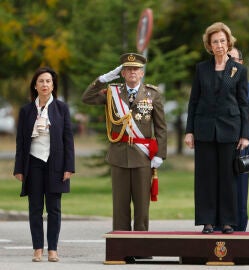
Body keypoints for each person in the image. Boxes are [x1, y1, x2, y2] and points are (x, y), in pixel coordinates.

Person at [82, 53, 167, 233]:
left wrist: (160, 154)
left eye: (136, 69)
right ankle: (121, 247)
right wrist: (103, 79)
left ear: (142, 72)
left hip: (142, 156)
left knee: (142, 205)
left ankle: (141, 246)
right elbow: (87, 98)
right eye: (128, 69)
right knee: (120, 205)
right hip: (119, 155)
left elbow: (161, 128)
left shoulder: (152, 94)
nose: (132, 72)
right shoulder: (112, 92)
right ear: (122, 73)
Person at [184, 22, 249, 234]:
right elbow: (193, 101)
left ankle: (228, 222)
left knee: (228, 179)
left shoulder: (239, 70)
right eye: (215, 42)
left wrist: (245, 134)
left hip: (230, 130)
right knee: (205, 177)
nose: (219, 45)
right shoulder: (201, 69)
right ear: (209, 45)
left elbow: (243, 103)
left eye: (222, 41)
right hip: (204, 130)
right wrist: (189, 130)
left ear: (228, 42)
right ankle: (208, 221)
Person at [13, 67, 75, 262]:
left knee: (54, 208)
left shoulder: (62, 109)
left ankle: (53, 250)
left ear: (53, 85)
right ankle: (38, 248)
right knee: (35, 208)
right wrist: (19, 168)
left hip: (55, 163)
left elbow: (68, 140)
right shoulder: (26, 111)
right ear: (35, 85)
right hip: (33, 163)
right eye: (41, 81)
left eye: (48, 81)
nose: (45, 84)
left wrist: (69, 167)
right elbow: (21, 142)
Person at [228, 47, 249, 231]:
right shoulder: (214, 85)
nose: (231, 62)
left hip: (243, 149)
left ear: (241, 63)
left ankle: (240, 231)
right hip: (219, 147)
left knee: (240, 193)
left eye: (234, 59)